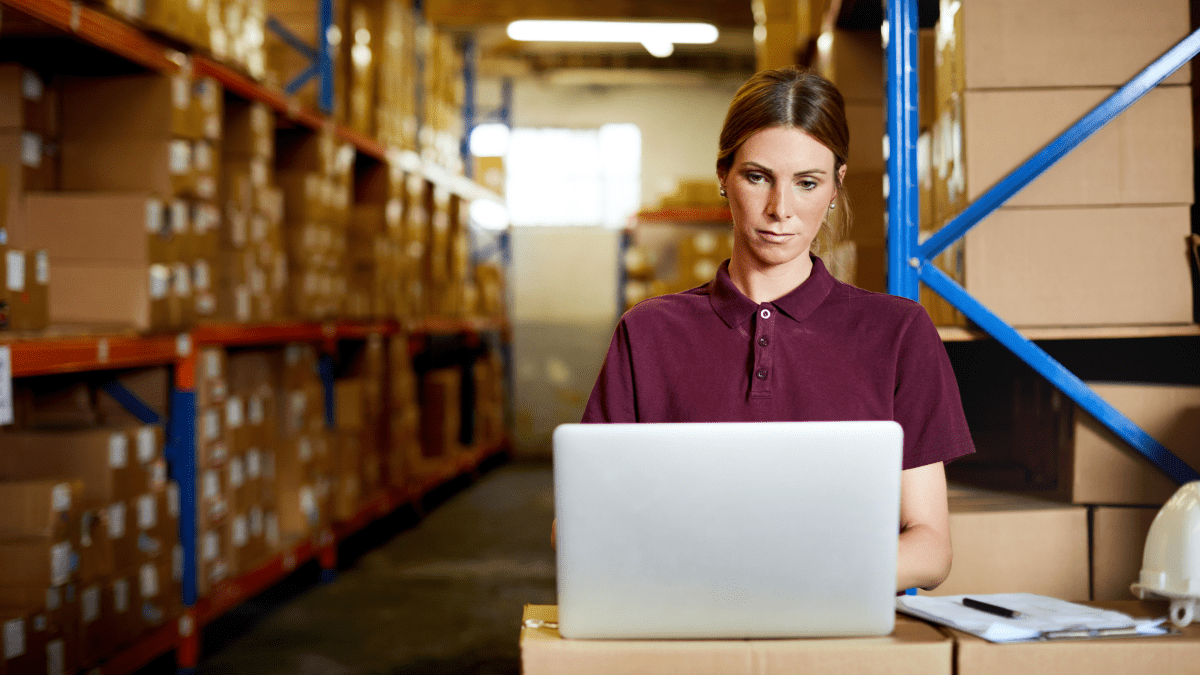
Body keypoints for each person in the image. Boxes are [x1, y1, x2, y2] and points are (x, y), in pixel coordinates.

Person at [579, 66, 975, 592]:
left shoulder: (898, 332)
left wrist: (785, 577)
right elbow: (581, 527)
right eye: (757, 177)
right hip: (687, 612)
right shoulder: (649, 333)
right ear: (723, 176)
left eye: (806, 183)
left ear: (835, 186)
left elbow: (930, 546)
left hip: (838, 621)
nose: (779, 210)